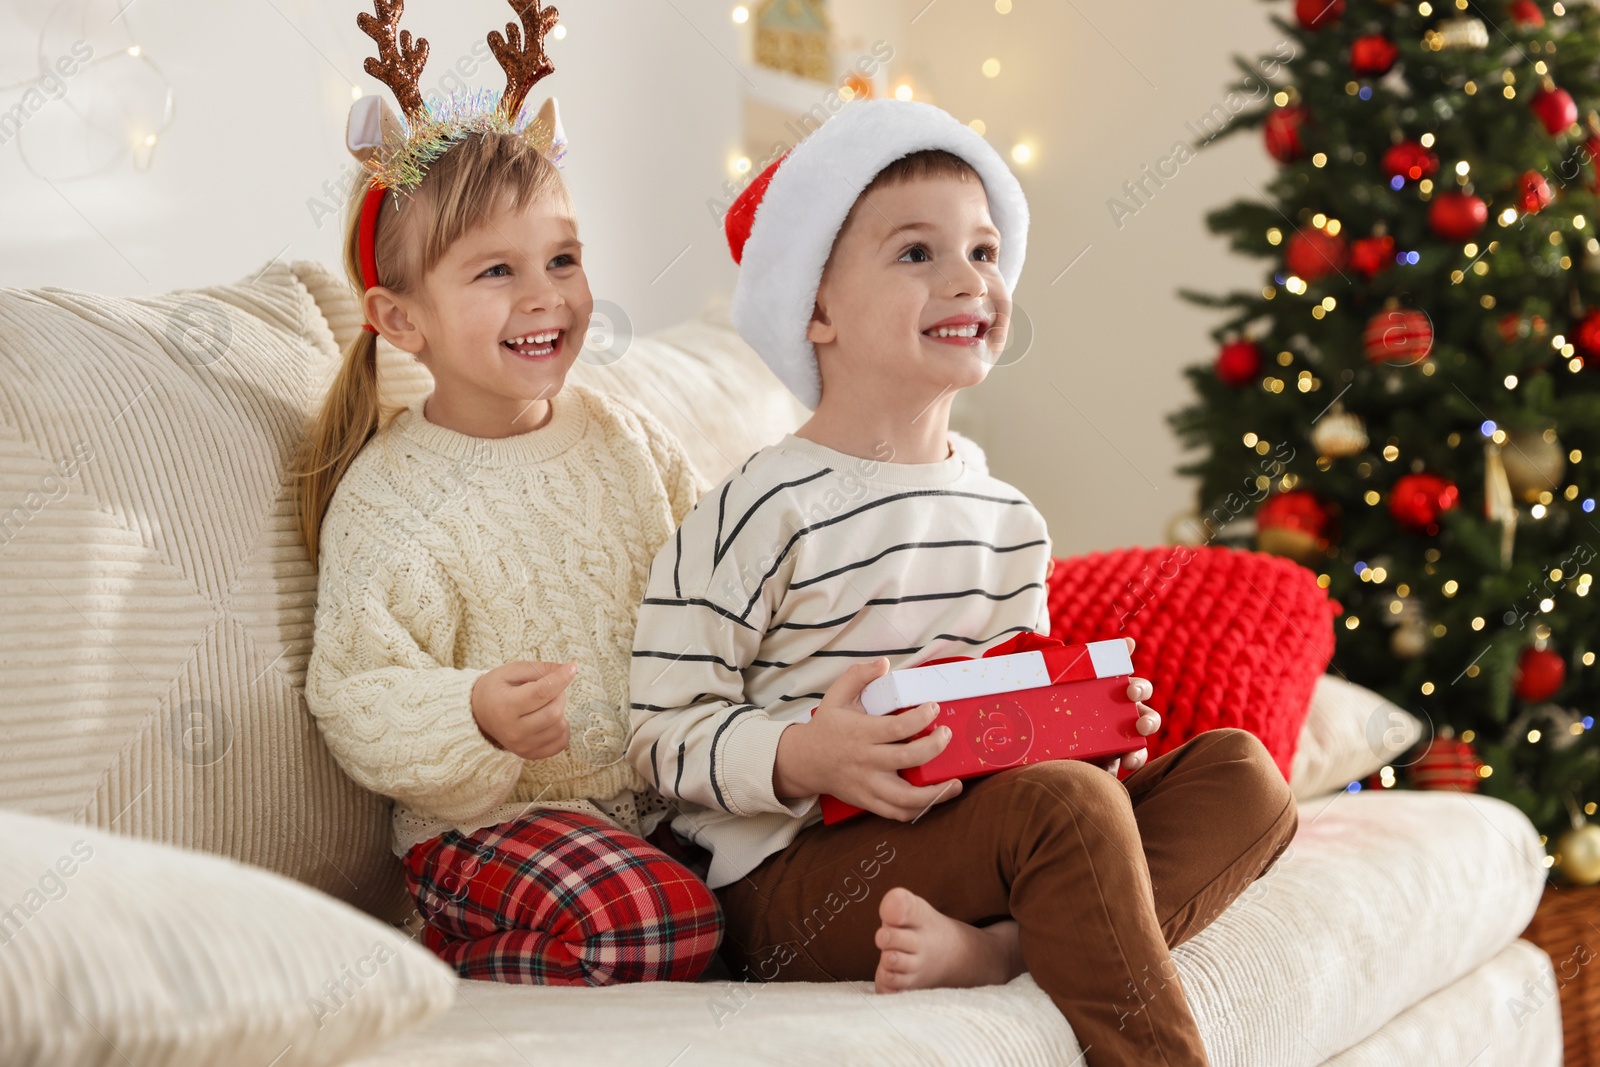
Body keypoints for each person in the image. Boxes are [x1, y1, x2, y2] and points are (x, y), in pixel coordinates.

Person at [626, 98, 1297, 1065]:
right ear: (815, 308)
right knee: (1067, 810)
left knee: (1244, 775)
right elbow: (656, 730)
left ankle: (1008, 947)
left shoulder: (1010, 521)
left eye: (984, 253)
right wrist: (813, 755)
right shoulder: (758, 507)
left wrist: (1088, 729)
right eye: (916, 254)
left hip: (969, 840)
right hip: (790, 881)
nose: (968, 281)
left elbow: (1014, 732)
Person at [293, 1, 721, 986]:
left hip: (656, 808)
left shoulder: (626, 439)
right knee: (656, 920)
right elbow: (355, 694)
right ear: (401, 319)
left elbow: (718, 573)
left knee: (800, 870)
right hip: (489, 830)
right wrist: (473, 712)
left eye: (562, 259)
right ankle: (448, 954)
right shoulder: (392, 495)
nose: (546, 296)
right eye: (497, 270)